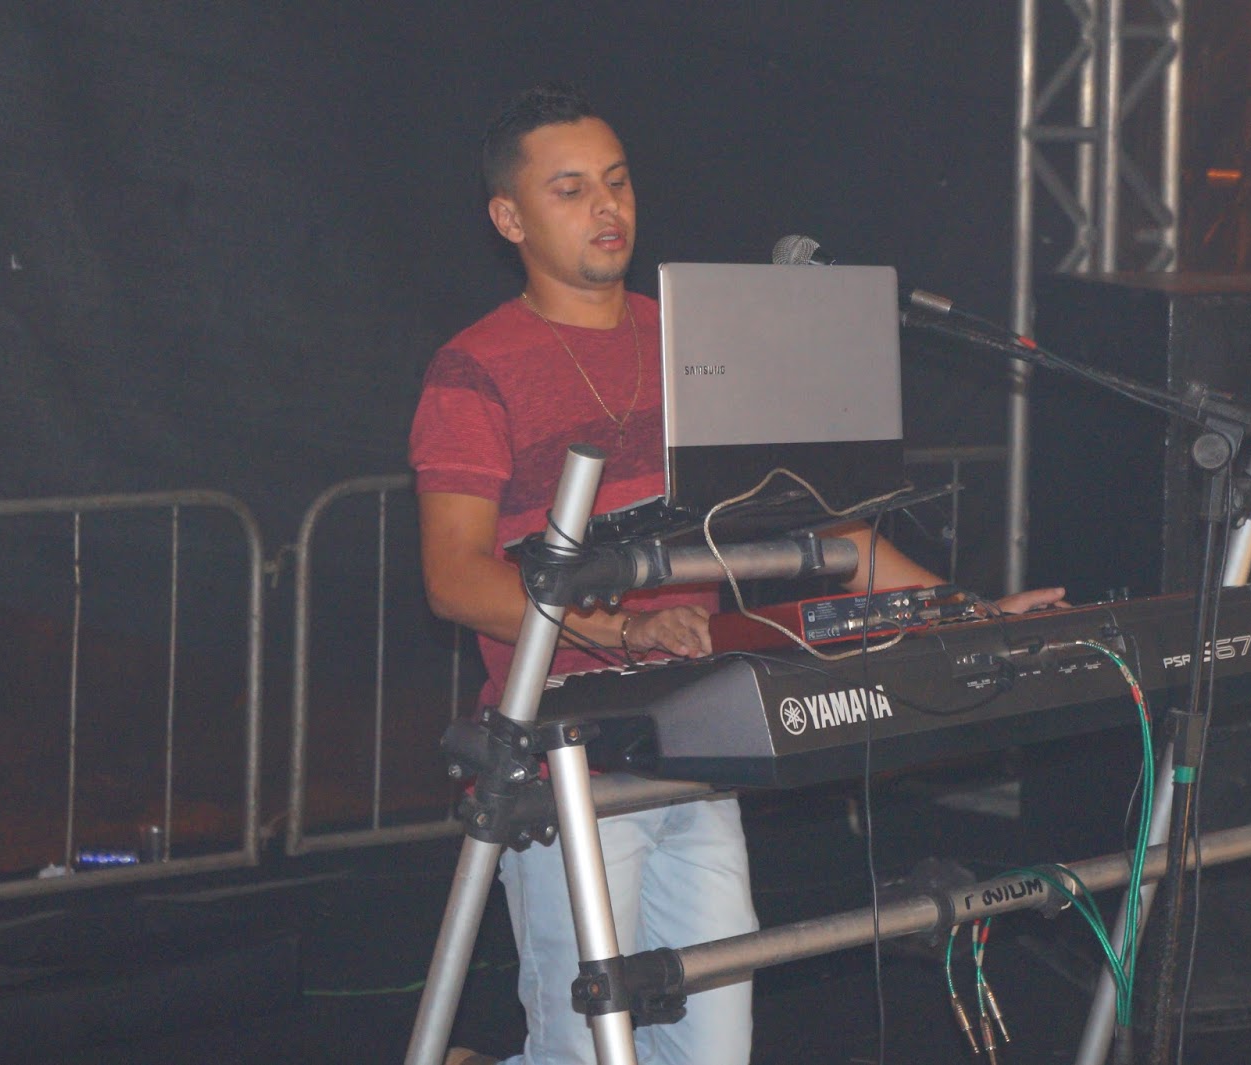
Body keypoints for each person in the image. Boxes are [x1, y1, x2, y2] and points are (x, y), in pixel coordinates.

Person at [410, 83, 1064, 1065]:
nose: (606, 207)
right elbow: (455, 579)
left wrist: (964, 612)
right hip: (565, 753)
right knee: (587, 1047)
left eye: (618, 181)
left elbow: (822, 526)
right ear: (510, 218)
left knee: (711, 1049)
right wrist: (621, 629)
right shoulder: (475, 367)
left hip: (701, 739)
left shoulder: (694, 340)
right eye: (571, 189)